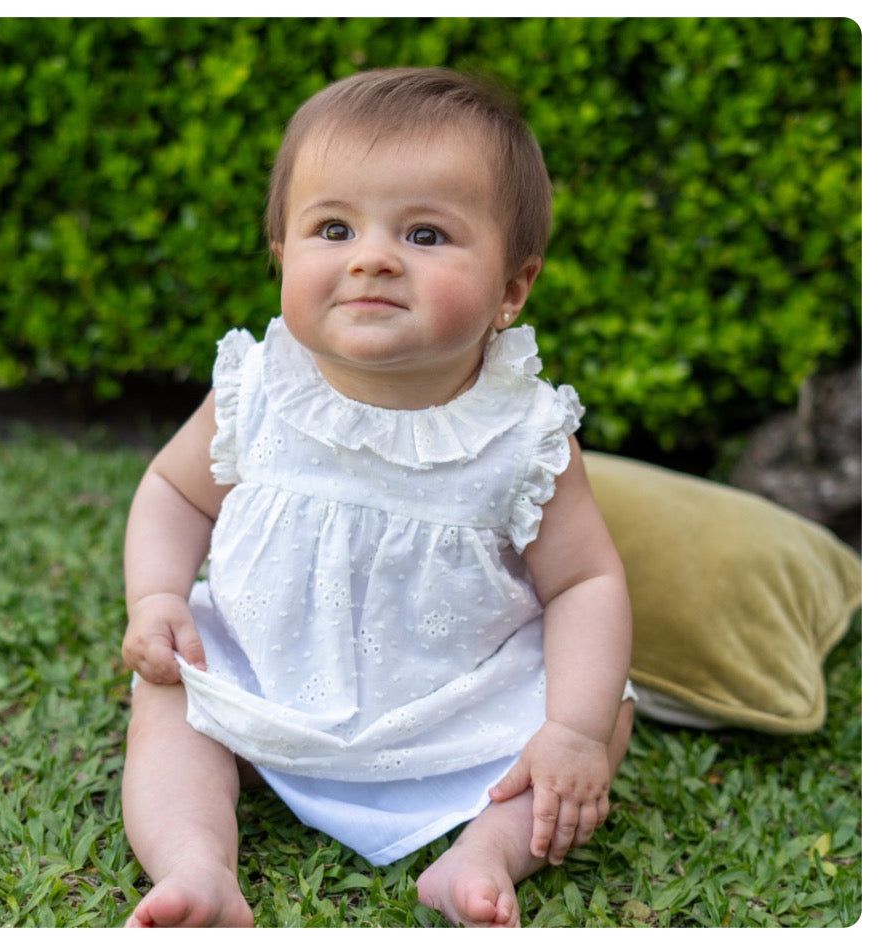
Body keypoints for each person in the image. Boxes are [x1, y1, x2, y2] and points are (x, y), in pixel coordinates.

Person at [120, 66, 635, 929]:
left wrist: (573, 730)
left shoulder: (522, 433)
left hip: (452, 708)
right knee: (172, 690)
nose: (371, 257)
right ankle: (196, 860)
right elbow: (174, 491)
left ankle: (484, 851)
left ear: (512, 288)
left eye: (426, 234)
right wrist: (158, 594)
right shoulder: (259, 385)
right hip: (266, 680)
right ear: (282, 254)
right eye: (332, 227)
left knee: (603, 716)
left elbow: (585, 583)